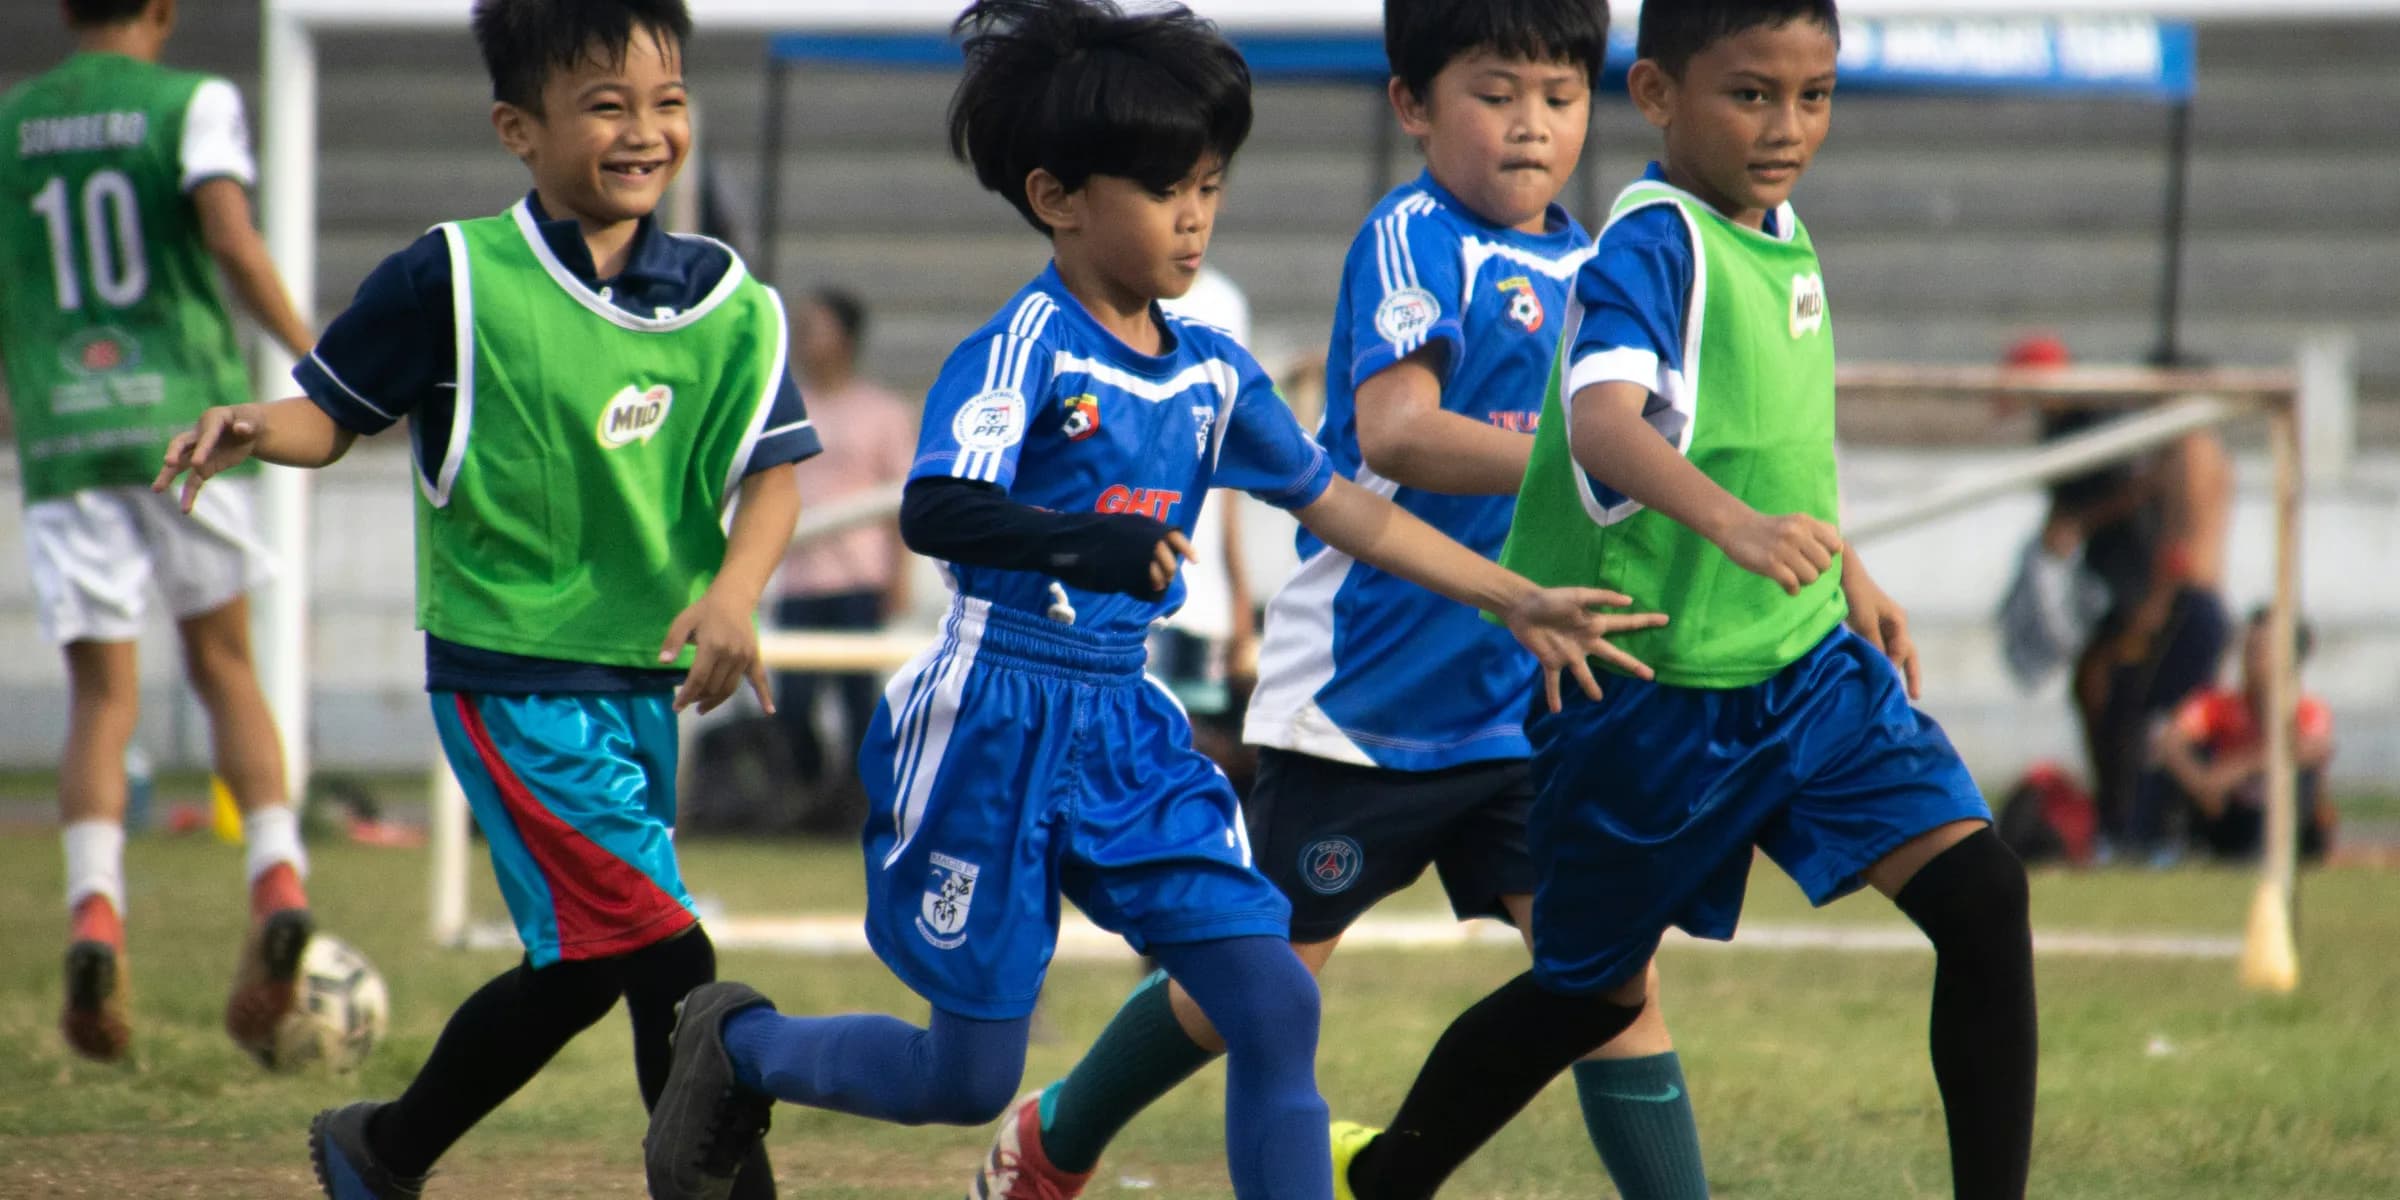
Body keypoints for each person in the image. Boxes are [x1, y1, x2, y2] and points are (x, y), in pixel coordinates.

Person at [638, 3, 1664, 1199]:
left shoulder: (1212, 373)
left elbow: (1350, 504)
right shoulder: (1027, 346)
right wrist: (1088, 542)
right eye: (1164, 188)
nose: (1194, 215)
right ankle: (736, 1048)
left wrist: (1515, 596)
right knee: (965, 1077)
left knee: (1274, 996)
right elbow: (937, 511)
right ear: (1059, 196)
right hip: (994, 722)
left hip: (1123, 731)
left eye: (1211, 184)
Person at [969, 3, 1712, 1199]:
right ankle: (1055, 1137)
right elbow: (1396, 432)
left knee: (1612, 979)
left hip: (1523, 702)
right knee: (1265, 975)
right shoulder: (1414, 238)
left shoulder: (1599, 265)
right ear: (1412, 104)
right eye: (1496, 92)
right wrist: (1591, 453)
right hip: (1368, 701)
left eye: (1561, 97)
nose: (1532, 126)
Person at [1329, 4, 2040, 1199]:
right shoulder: (1649, 247)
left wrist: (1848, 572)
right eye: (1750, 94)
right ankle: (1393, 1175)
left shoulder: (1784, 231)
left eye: (1813, 96)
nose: (1787, 127)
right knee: (1586, 994)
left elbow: (1773, 441)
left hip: (1806, 673)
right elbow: (1602, 423)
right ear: (1656, 93)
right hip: (1653, 699)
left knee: (1983, 897)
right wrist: (1733, 525)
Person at [154, 3, 808, 1197]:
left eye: (666, 101)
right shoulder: (452, 277)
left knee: (585, 965)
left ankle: (384, 1149)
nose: (645, 131)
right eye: (606, 103)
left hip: (637, 687)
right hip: (513, 681)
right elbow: (333, 410)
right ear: (520, 127)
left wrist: (735, 592)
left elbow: (774, 471)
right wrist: (255, 425)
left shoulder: (728, 302)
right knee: (676, 953)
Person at [0, 0, 320, 1066]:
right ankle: (276, 875)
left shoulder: (15, 119)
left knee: (102, 695)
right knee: (225, 663)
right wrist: (317, 357)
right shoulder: (192, 103)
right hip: (187, 422)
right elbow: (227, 234)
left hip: (66, 433)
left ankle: (95, 911)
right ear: (165, 10)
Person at [774, 287, 913, 794]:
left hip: (858, 574)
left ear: (848, 338)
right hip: (799, 575)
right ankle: (804, 795)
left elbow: (898, 501)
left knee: (859, 697)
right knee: (791, 698)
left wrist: (899, 576)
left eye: (818, 327)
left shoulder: (882, 412)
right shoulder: (785, 406)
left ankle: (859, 799)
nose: (806, 339)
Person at [2144, 608, 2336, 862]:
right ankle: (2157, 846)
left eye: (2262, 650)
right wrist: (2201, 781)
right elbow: (2169, 740)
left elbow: (2312, 747)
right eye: (2249, 649)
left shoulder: (2307, 710)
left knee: (2298, 771)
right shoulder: (2218, 706)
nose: (2251, 659)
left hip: (2278, 816)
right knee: (2168, 765)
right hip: (2228, 811)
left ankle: (2275, 856)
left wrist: (2238, 767)